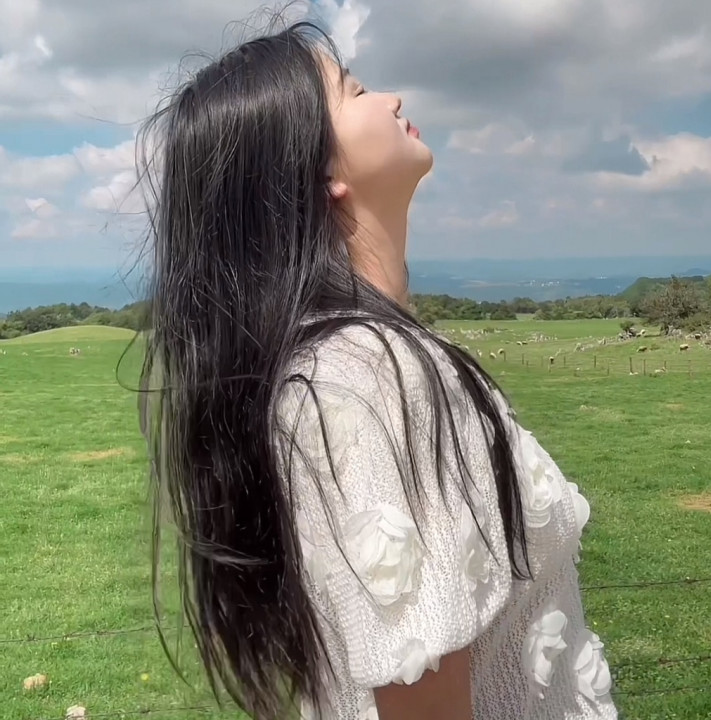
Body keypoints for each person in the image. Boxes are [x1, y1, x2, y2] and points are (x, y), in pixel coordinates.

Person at [137, 19, 617, 720]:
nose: (391, 98)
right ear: (317, 169)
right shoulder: (366, 376)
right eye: (355, 91)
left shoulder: (352, 359)